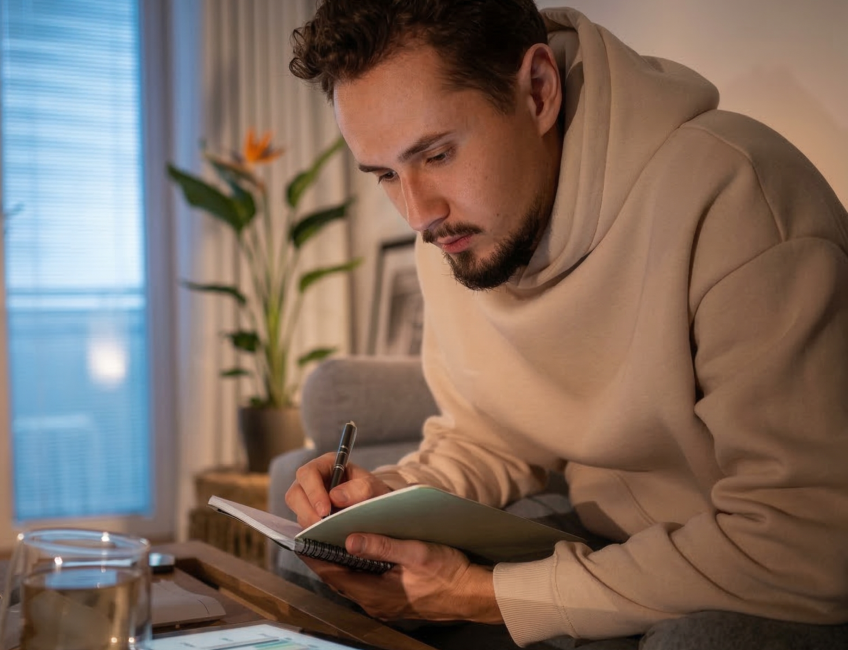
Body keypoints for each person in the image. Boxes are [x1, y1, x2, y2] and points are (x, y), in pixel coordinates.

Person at [282, 1, 848, 648]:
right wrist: (385, 497)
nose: (418, 214)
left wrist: (481, 597)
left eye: (437, 154)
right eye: (385, 174)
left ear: (539, 92)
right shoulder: (460, 234)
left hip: (760, 563)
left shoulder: (737, 197)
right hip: (616, 535)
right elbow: (488, 438)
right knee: (329, 566)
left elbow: (805, 539)